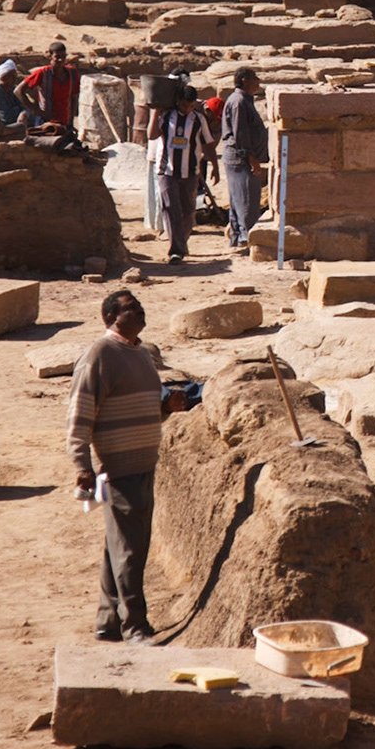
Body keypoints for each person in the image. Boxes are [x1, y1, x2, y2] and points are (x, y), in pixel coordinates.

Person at [67, 290, 165, 646]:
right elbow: (79, 415)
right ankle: (134, 626)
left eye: (139, 304)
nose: (139, 309)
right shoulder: (100, 355)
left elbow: (143, 403)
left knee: (119, 548)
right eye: (129, 308)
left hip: (143, 463)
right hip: (119, 467)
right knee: (130, 551)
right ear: (111, 316)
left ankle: (108, 622)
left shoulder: (141, 352)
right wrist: (82, 464)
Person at [150, 84, 214, 263]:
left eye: (192, 106)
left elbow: (208, 143)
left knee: (188, 211)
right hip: (166, 170)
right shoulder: (166, 116)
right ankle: (175, 250)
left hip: (190, 172)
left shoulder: (198, 119)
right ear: (178, 102)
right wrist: (155, 113)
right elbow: (151, 135)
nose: (188, 110)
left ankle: (181, 242)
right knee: (171, 209)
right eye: (185, 106)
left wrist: (215, 166)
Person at [218, 67, 269, 250]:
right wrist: (252, 158)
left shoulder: (243, 100)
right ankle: (246, 240)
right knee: (246, 201)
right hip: (241, 159)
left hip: (240, 158)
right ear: (245, 80)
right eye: (255, 78)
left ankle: (237, 237)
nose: (258, 81)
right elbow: (241, 134)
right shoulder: (239, 101)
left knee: (238, 199)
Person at [18, 41, 81, 128]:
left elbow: (74, 97)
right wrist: (35, 110)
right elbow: (18, 90)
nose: (61, 60)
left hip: (65, 122)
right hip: (45, 122)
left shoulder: (72, 73)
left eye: (63, 57)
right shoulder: (43, 73)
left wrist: (71, 120)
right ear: (50, 57)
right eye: (57, 57)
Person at [0, 59, 33, 129]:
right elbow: (5, 117)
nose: (15, 78)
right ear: (4, 78)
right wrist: (20, 110)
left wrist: (23, 113)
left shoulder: (12, 88)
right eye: (12, 76)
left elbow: (25, 106)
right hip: (0, 126)